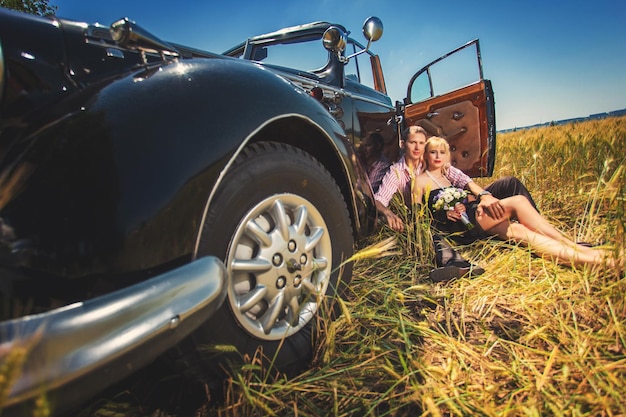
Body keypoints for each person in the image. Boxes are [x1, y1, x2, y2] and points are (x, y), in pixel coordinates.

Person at [415, 136, 616, 268]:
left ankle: (590, 260)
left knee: (521, 233)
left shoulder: (448, 174)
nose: (438, 156)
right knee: (518, 201)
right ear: (426, 155)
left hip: (472, 215)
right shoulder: (421, 180)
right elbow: (418, 214)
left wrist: (480, 196)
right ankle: (572, 245)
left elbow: (470, 185)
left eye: (442, 152)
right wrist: (443, 214)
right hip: (457, 224)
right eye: (433, 152)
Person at [374, 125, 541, 280]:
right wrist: (388, 213)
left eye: (421, 143)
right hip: (432, 218)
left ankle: (535, 225)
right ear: (403, 144)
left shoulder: (434, 160)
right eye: (412, 143)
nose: (417, 148)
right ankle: (456, 264)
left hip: (460, 206)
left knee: (509, 183)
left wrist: (484, 195)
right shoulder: (396, 172)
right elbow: (379, 199)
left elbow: (464, 181)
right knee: (427, 230)